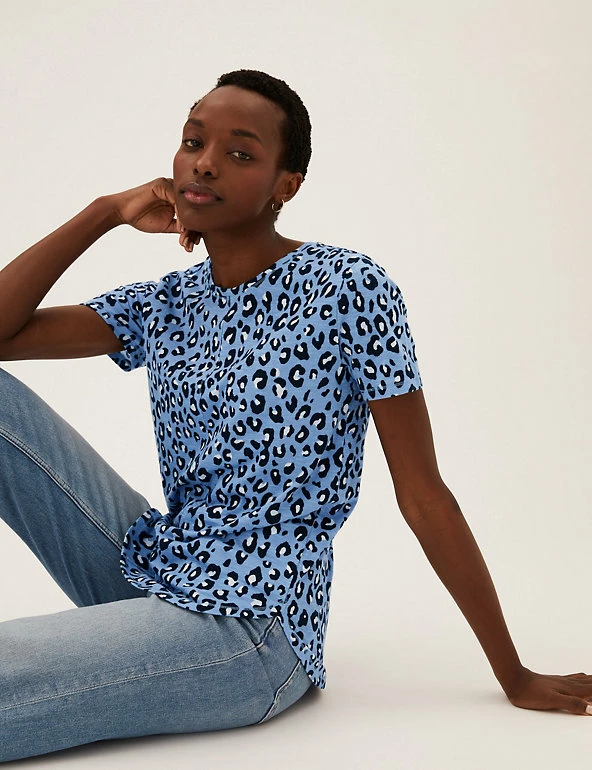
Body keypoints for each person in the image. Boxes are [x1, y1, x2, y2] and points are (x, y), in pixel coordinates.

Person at [0, 69, 590, 762]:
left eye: (240, 153)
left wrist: (514, 674)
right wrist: (105, 211)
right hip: (157, 563)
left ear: (287, 185)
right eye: (193, 142)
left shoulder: (347, 287)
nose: (205, 163)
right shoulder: (167, 303)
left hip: (249, 626)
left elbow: (425, 497)